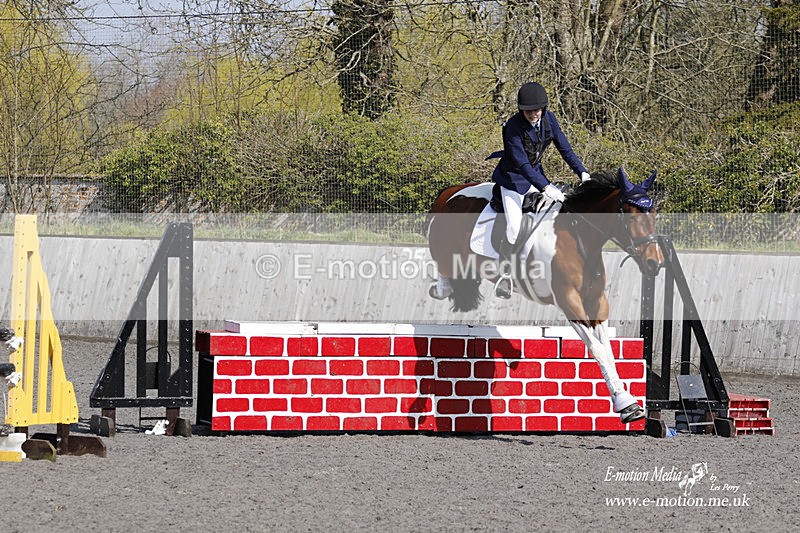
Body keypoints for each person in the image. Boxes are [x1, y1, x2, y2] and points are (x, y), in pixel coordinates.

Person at [491, 81, 590, 298]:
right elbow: (522, 164)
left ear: (543, 108)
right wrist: (546, 187)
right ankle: (504, 276)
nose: (533, 114)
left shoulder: (549, 119)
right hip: (513, 181)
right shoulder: (512, 127)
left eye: (536, 110)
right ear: (521, 110)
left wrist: (582, 172)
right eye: (528, 111)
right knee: (514, 227)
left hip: (536, 176)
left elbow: (565, 148)